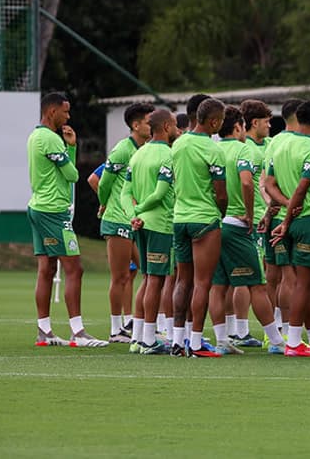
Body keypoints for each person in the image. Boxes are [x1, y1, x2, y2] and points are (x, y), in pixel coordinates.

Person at [29, 92, 106, 347]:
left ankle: (44, 331)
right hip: (53, 211)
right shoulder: (50, 139)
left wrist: (70, 147)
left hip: (39, 207)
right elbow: (72, 175)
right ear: (52, 112)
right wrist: (71, 147)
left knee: (47, 269)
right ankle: (78, 331)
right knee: (75, 269)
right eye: (66, 111)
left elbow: (66, 173)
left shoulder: (35, 136)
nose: (68, 116)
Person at [210, 104, 287, 355]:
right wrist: (251, 215)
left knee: (218, 285)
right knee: (258, 285)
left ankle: (222, 341)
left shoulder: (212, 149)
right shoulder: (244, 150)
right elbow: (246, 181)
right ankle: (276, 341)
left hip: (213, 224)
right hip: (236, 224)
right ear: (238, 127)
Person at [267, 100, 310, 357]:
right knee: (304, 284)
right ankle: (294, 341)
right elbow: (302, 188)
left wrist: (283, 211)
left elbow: (269, 183)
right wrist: (289, 217)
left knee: (294, 281)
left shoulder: (280, 144)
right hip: (305, 220)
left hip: (282, 220)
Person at [171, 97, 228, 357]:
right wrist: (221, 213)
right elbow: (221, 193)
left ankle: (175, 340)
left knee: (183, 280)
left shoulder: (178, 143)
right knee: (203, 282)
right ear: (214, 121)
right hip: (204, 219)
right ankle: (195, 343)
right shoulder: (214, 149)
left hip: (179, 217)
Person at [97, 102, 154, 343]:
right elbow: (102, 182)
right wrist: (104, 204)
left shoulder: (146, 149)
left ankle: (145, 325)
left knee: (151, 272)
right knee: (120, 277)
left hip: (135, 221)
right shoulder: (122, 149)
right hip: (117, 220)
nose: (152, 126)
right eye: (149, 122)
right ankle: (115, 329)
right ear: (136, 125)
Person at [123, 108, 178, 354]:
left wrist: (133, 214)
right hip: (160, 224)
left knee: (146, 279)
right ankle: (148, 340)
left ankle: (137, 339)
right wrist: (143, 210)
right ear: (166, 127)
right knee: (156, 280)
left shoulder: (138, 154)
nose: (178, 130)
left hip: (141, 224)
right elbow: (160, 193)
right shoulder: (169, 155)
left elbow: (125, 193)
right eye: (175, 125)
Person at [259, 98, 303, 339]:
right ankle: (287, 331)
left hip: (276, 215)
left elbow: (264, 183)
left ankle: (272, 332)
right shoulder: (302, 144)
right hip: (296, 216)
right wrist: (288, 205)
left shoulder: (273, 143)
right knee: (291, 276)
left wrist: (270, 206)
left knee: (274, 275)